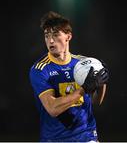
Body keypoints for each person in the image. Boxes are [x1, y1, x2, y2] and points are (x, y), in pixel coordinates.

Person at [29, 11, 109, 142]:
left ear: (68, 36)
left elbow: (96, 101)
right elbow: (53, 108)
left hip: (86, 135)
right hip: (55, 139)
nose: (50, 40)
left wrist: (101, 82)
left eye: (55, 35)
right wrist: (83, 89)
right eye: (46, 36)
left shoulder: (83, 63)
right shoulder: (40, 69)